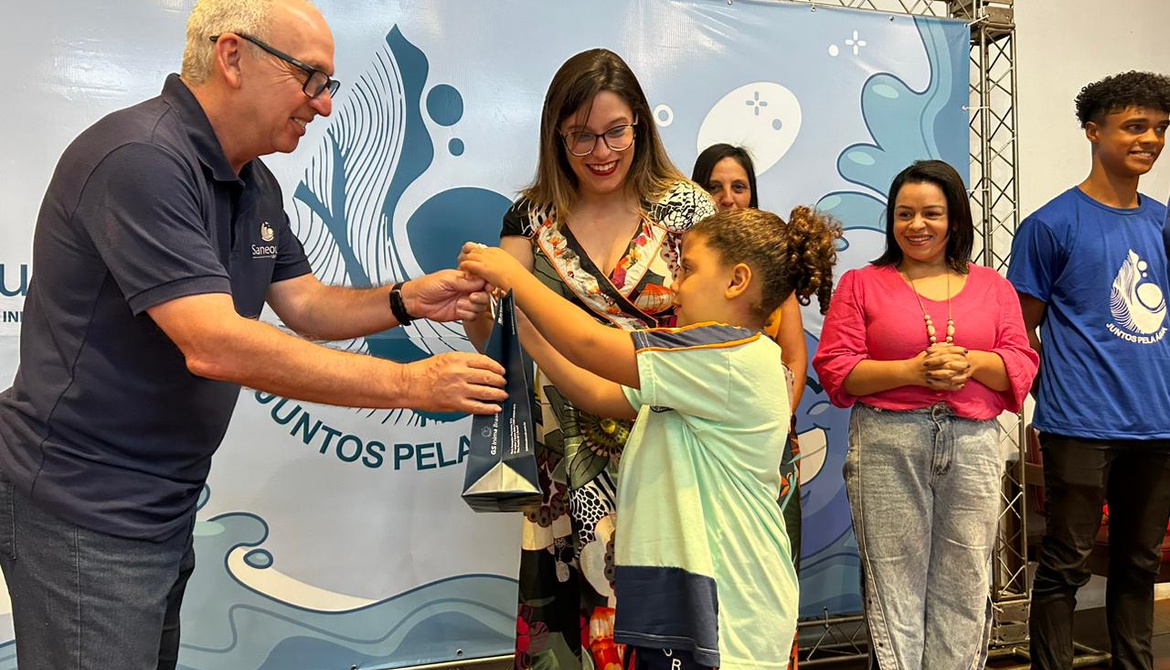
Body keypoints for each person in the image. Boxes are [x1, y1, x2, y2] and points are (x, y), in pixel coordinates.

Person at [0, 1, 509, 668]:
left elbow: (304, 304)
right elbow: (214, 343)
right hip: (81, 506)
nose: (323, 106)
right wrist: (412, 383)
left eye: (329, 85)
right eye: (311, 78)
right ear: (233, 56)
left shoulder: (252, 181)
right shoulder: (142, 158)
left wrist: (405, 300)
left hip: (160, 504)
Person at [460, 204, 840, 670]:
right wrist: (522, 326)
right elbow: (594, 391)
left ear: (737, 281)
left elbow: (592, 345)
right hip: (682, 603)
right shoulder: (699, 365)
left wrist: (518, 279)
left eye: (689, 270)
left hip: (728, 613)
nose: (674, 285)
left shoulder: (726, 357)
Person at [463, 48, 715, 668]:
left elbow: (715, 338)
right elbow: (508, 346)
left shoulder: (687, 210)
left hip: (667, 447)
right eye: (580, 137)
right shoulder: (529, 218)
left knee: (659, 629)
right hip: (561, 459)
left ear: (640, 125)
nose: (600, 152)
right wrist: (478, 326)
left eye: (614, 132)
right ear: (556, 134)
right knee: (571, 636)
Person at [813, 159, 1038, 670]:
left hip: (974, 443)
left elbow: (1022, 363)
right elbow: (837, 370)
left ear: (955, 219)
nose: (916, 225)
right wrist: (913, 371)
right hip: (888, 441)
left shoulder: (993, 286)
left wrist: (973, 362)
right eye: (904, 214)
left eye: (931, 213)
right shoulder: (861, 284)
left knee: (966, 579)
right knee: (895, 583)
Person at [1006, 71, 1170, 670]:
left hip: (1157, 425)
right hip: (1079, 424)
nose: (1150, 139)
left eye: (1159, 128)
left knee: (1138, 562)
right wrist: (1054, 396)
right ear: (1092, 131)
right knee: (1066, 562)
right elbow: (1018, 330)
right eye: (1134, 126)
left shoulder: (1162, 221)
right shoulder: (1050, 225)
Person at [691, 143, 807, 567]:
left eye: (739, 186)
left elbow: (794, 359)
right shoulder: (678, 266)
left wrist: (774, 424)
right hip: (704, 443)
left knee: (769, 562)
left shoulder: (775, 269)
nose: (727, 198)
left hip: (768, 442)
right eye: (714, 186)